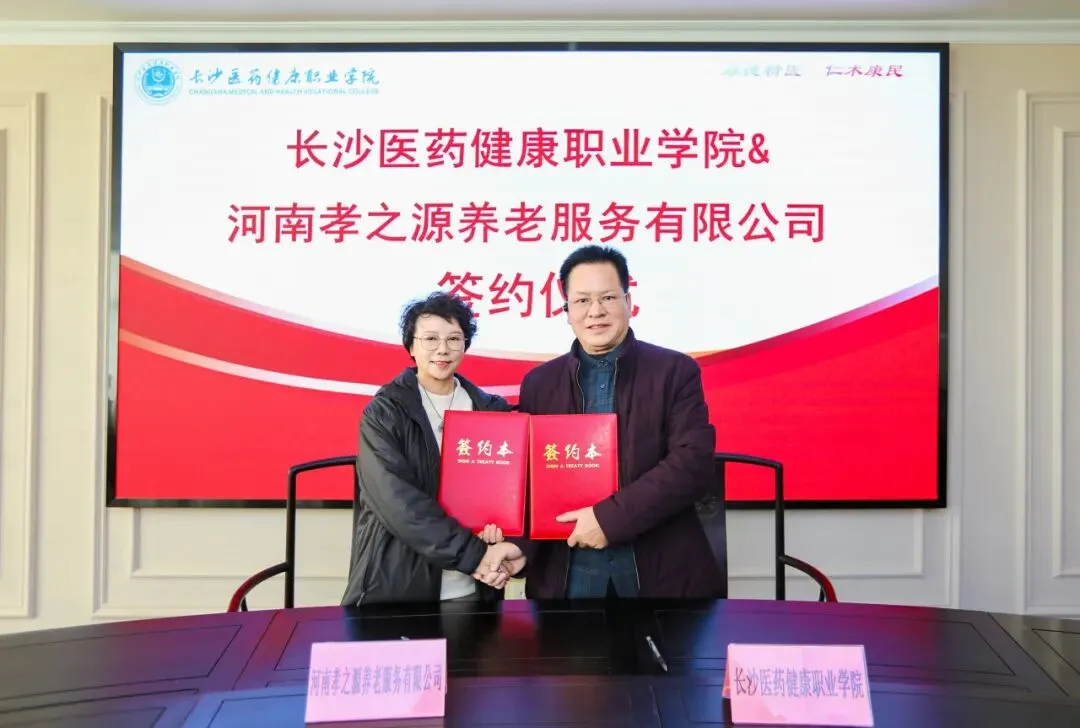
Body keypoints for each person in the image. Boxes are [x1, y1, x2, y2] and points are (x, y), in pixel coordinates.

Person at [480, 245, 724, 599]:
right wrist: (522, 547)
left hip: (662, 577)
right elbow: (533, 481)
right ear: (566, 310)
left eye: (608, 297)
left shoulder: (675, 371)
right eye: (582, 301)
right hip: (567, 578)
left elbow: (692, 463)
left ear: (628, 301)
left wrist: (608, 520)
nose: (595, 311)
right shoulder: (539, 383)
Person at [341, 291, 514, 606]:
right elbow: (399, 502)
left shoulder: (493, 410)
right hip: (398, 587)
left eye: (454, 339)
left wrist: (502, 527)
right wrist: (475, 556)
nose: (443, 349)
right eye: (430, 339)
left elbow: (508, 488)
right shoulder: (385, 412)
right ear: (411, 346)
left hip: (477, 586)